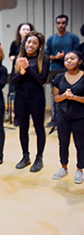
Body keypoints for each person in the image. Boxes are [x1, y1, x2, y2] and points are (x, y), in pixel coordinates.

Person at [11, 31, 50, 173]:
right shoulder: (18, 58)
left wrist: (27, 68)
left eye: (34, 42)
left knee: (39, 128)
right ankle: (25, 156)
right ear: (24, 43)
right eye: (28, 42)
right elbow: (13, 81)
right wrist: (21, 71)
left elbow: (42, 80)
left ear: (39, 45)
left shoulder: (44, 58)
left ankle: (39, 158)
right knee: (23, 128)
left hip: (36, 97)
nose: (30, 45)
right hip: (21, 98)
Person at [52, 51, 84, 184]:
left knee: (80, 144)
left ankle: (80, 169)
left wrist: (74, 97)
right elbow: (56, 98)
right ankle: (63, 167)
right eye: (66, 59)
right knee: (63, 143)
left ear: (80, 61)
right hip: (63, 116)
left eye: (72, 58)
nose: (69, 61)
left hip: (80, 116)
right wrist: (65, 96)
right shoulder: (59, 78)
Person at [45, 15, 80, 128]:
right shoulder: (51, 39)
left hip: (70, 70)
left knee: (73, 93)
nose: (61, 25)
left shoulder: (73, 38)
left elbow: (77, 54)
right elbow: (47, 56)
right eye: (58, 23)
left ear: (66, 24)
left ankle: (72, 117)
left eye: (63, 23)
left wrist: (67, 58)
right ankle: (55, 119)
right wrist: (56, 57)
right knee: (54, 95)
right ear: (56, 24)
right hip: (55, 69)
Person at [8, 23, 35, 127]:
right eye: (23, 29)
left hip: (30, 69)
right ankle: (17, 117)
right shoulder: (15, 43)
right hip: (17, 69)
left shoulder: (33, 44)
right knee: (16, 95)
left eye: (28, 29)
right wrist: (19, 59)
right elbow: (10, 56)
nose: (25, 31)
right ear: (19, 31)